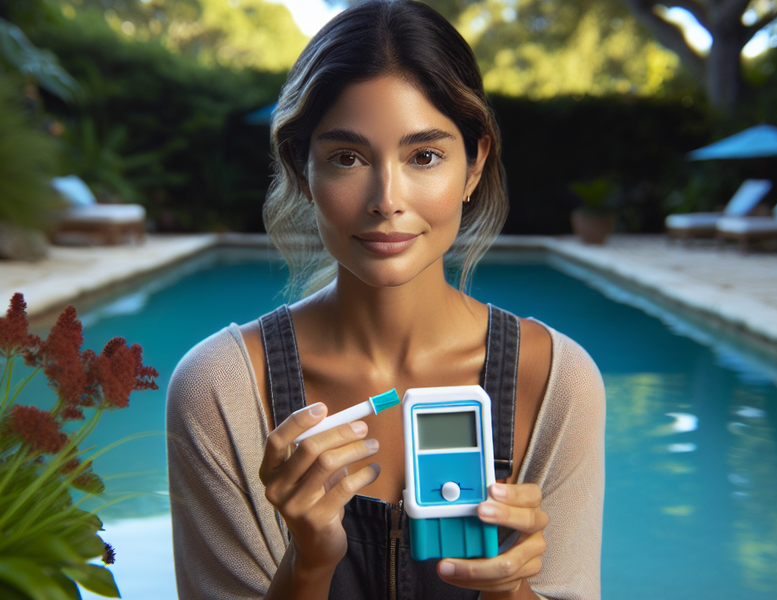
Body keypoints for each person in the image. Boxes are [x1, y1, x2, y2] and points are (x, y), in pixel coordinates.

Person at [166, 1, 605, 599]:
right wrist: (310, 564)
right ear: (302, 169)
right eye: (347, 158)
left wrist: (509, 589)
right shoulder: (220, 389)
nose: (386, 200)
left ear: (474, 166)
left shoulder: (556, 380)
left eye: (424, 156)